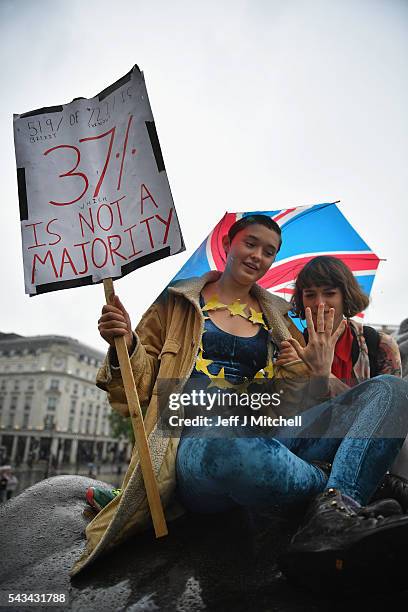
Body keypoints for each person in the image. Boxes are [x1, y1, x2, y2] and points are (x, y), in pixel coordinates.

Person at [78, 215, 408, 582]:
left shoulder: (281, 318)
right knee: (233, 447)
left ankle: (335, 511)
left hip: (272, 431)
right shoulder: (174, 302)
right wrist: (124, 342)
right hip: (199, 437)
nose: (258, 256)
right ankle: (337, 485)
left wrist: (316, 374)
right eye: (250, 243)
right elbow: (135, 391)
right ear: (229, 244)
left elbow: (298, 407)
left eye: (269, 251)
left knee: (392, 390)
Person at [282, 255, 408, 510]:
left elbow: (391, 413)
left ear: (345, 297)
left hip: (364, 447)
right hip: (311, 447)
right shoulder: (291, 345)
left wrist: (327, 376)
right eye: (309, 295)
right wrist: (317, 378)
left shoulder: (379, 345)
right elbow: (293, 423)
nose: (319, 304)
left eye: (329, 293)